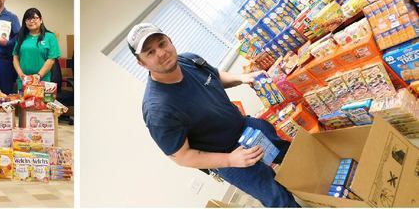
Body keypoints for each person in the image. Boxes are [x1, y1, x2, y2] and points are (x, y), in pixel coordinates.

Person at [127, 23, 299, 207]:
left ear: (170, 40)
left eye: (161, 44)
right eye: (150, 52)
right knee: (278, 198)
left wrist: (241, 78)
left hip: (248, 128)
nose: (161, 53)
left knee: (294, 157)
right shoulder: (157, 109)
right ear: (141, 63)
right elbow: (182, 157)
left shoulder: (190, 60)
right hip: (228, 156)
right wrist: (231, 160)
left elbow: (215, 76)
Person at [12, 7, 60, 91]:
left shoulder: (50, 37)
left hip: (42, 81)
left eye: (35, 18)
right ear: (25, 22)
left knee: (41, 104)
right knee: (23, 104)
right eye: (28, 19)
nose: (32, 21)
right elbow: (15, 57)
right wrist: (21, 75)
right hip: (23, 81)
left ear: (41, 20)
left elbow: (51, 60)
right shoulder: (21, 37)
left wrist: (38, 76)